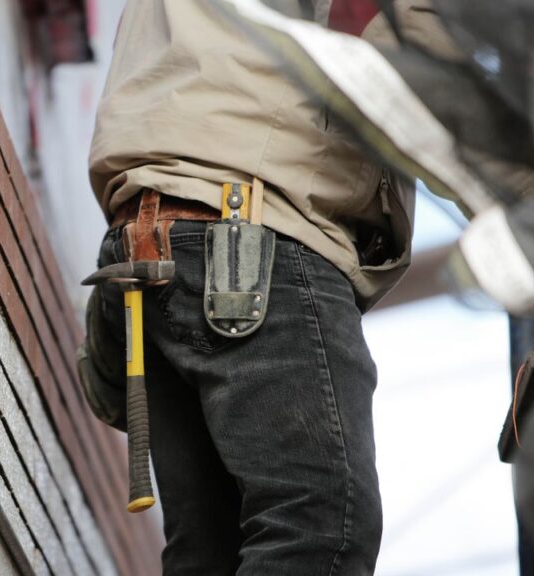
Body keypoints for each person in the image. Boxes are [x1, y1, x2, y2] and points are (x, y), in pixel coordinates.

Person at [84, 1, 425, 574]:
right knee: (322, 526)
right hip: (250, 230)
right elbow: (421, 45)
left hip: (150, 235)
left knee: (209, 552)